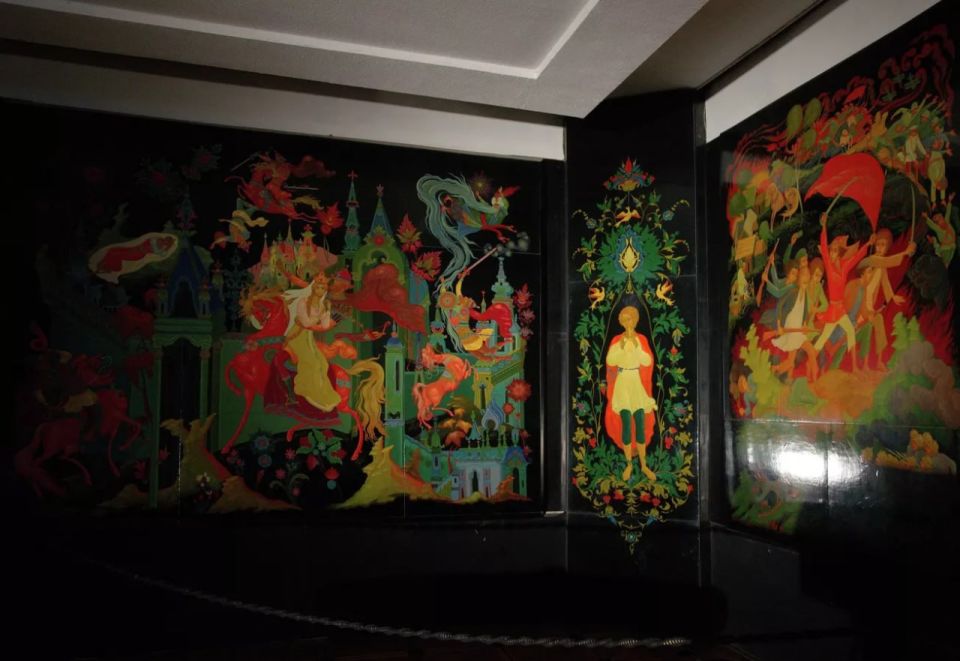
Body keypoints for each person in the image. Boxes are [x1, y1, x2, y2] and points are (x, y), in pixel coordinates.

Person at [812, 212, 875, 373]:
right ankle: (811, 363)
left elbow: (857, 256)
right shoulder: (828, 264)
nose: (832, 253)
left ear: (839, 252)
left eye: (835, 251)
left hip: (840, 310)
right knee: (823, 338)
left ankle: (854, 367)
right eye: (831, 250)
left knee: (851, 332)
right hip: (834, 310)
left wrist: (868, 244)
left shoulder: (845, 266)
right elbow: (823, 245)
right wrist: (824, 227)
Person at [603, 306, 658, 482]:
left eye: (630, 319)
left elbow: (647, 361)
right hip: (622, 383)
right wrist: (620, 348)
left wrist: (637, 348)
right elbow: (610, 361)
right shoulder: (617, 340)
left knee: (640, 422)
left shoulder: (640, 339)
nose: (628, 323)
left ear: (635, 320)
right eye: (625, 320)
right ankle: (628, 464)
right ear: (621, 322)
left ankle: (644, 465)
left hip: (635, 382)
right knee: (626, 423)